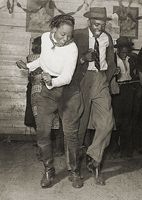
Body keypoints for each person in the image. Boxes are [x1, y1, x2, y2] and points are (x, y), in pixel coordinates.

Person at [16, 14, 83, 188]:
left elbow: (67, 77)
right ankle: (48, 170)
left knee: (70, 134)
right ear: (53, 29)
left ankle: (74, 171)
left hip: (68, 90)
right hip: (47, 91)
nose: (65, 39)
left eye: (69, 35)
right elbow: (44, 59)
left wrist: (51, 81)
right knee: (43, 133)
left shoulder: (72, 48)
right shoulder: (45, 38)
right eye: (62, 34)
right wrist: (28, 66)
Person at [73, 7, 116, 185]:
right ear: (89, 21)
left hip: (100, 78)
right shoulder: (78, 35)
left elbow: (111, 60)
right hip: (82, 80)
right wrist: (83, 58)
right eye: (96, 23)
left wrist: (106, 77)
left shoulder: (107, 37)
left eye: (103, 23)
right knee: (79, 126)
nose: (100, 27)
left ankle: (93, 156)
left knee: (107, 122)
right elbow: (65, 59)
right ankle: (75, 169)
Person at [111, 36, 142, 158]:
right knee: (116, 120)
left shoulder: (132, 59)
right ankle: (114, 148)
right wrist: (114, 73)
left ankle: (126, 150)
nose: (124, 54)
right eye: (122, 51)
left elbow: (136, 74)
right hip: (117, 91)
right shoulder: (112, 60)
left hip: (129, 90)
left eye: (126, 51)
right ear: (118, 50)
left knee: (128, 120)